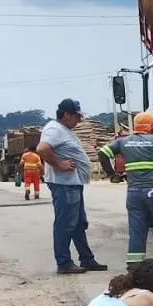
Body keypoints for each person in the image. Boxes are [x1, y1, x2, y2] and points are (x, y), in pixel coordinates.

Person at [98, 112, 153, 276]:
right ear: (150, 127)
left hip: (134, 192)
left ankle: (134, 265)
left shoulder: (123, 142)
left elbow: (103, 153)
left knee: (137, 227)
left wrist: (112, 174)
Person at [37, 98, 106, 275]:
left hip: (72, 184)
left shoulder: (63, 130)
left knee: (78, 224)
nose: (79, 120)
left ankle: (87, 259)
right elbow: (43, 148)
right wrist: (59, 164)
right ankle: (64, 262)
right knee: (66, 224)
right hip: (64, 184)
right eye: (76, 116)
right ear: (66, 114)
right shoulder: (54, 129)